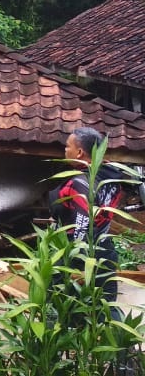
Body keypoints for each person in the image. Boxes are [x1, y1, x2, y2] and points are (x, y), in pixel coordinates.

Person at [49, 126, 127, 312]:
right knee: (106, 306)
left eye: (67, 146)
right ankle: (116, 341)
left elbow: (83, 221)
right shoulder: (111, 176)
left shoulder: (80, 182)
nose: (65, 150)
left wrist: (73, 255)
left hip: (78, 252)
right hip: (105, 248)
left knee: (59, 305)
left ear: (80, 152)